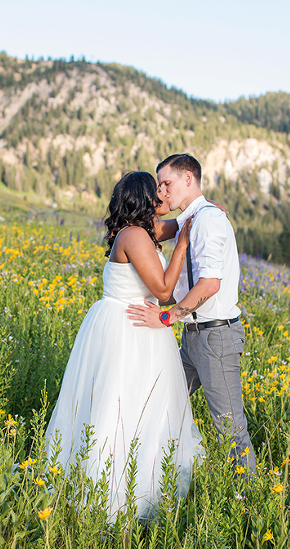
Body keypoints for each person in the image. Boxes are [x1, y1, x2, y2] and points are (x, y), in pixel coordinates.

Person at [45, 171, 203, 521]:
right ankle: (116, 498)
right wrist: (183, 246)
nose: (161, 194)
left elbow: (173, 224)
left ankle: (130, 489)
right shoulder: (134, 236)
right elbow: (163, 292)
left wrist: (201, 211)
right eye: (156, 191)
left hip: (125, 325)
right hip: (129, 331)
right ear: (143, 198)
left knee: (127, 407)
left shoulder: (133, 231)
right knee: (123, 408)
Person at [127, 154, 255, 477]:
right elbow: (151, 231)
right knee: (160, 400)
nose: (161, 192)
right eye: (158, 185)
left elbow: (210, 284)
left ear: (188, 180)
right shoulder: (190, 218)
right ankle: (152, 473)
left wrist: (167, 317)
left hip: (216, 338)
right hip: (193, 338)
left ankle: (252, 497)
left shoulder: (207, 220)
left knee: (229, 427)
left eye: (166, 184)